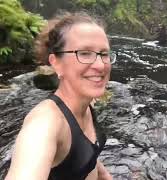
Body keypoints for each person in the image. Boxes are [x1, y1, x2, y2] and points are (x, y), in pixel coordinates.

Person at [5, 11, 115, 180]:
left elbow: (86, 154)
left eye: (104, 54)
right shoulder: (45, 124)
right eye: (85, 53)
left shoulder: (87, 104)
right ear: (56, 63)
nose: (100, 65)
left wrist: (106, 176)